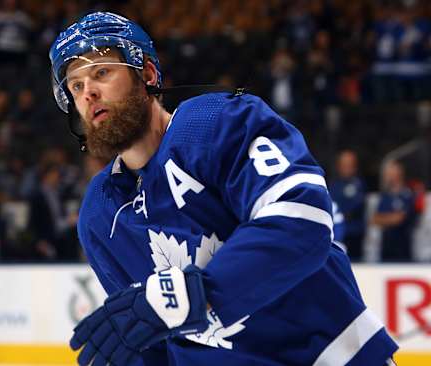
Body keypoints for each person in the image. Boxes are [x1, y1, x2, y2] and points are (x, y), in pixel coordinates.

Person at [49, 12, 398, 366]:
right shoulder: (99, 213)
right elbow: (147, 341)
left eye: (102, 73)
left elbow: (301, 220)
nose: (88, 92)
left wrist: (188, 295)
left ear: (148, 75)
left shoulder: (215, 122)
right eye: (76, 86)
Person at [371, 160, 417, 261]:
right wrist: (390, 218)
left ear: (399, 173)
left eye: (391, 172)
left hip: (402, 245)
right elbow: (375, 219)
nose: (388, 176)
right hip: (386, 246)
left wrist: (385, 218)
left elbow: (400, 219)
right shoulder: (386, 195)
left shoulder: (407, 194)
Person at [329, 150, 367, 261]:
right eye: (343, 164)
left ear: (354, 167)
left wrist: (339, 214)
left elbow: (354, 207)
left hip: (353, 234)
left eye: (349, 165)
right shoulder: (333, 184)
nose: (346, 168)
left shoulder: (358, 184)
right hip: (335, 233)